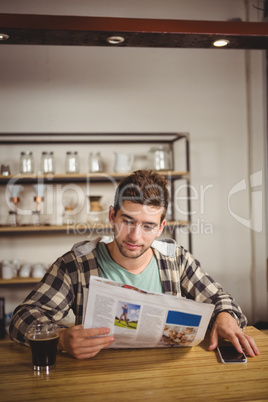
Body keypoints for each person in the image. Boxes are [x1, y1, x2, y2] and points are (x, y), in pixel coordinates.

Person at [9, 169, 260, 360]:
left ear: (161, 227)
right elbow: (21, 318)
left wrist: (225, 316)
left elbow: (221, 299)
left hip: (167, 378)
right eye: (127, 221)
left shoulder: (176, 260)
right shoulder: (75, 265)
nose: (134, 236)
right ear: (111, 216)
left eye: (148, 226)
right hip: (97, 379)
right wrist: (60, 339)